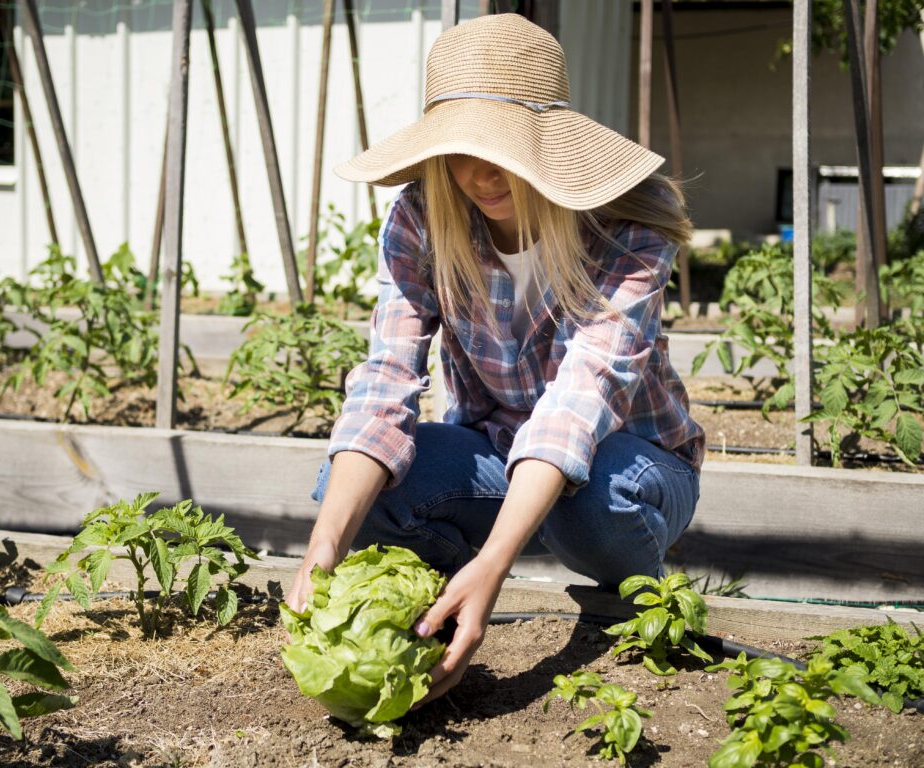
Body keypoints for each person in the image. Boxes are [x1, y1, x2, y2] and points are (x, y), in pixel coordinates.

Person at [285, 13, 705, 707]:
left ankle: (629, 582)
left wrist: (496, 564)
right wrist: (324, 546)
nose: (479, 174)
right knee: (349, 489)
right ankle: (446, 593)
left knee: (592, 501)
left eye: (501, 149)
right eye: (459, 150)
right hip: (496, 456)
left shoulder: (626, 225)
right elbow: (387, 379)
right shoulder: (424, 218)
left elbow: (582, 397)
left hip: (632, 465)